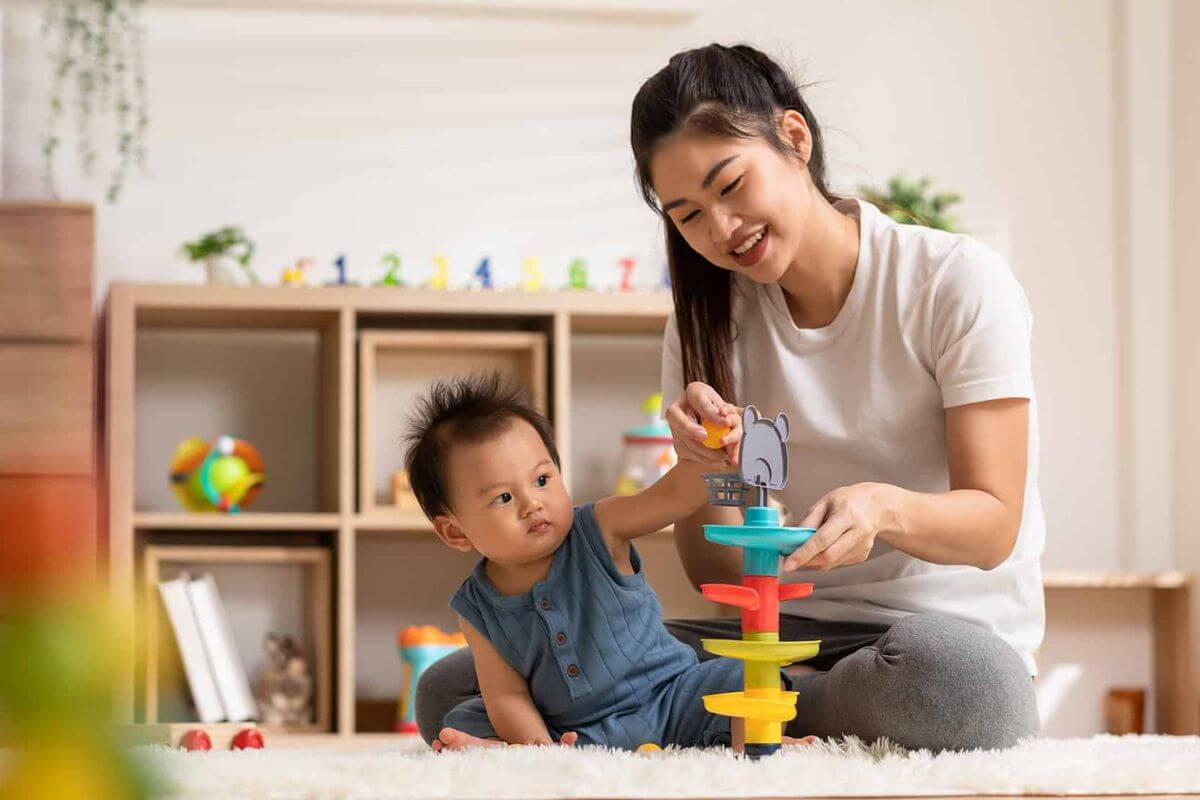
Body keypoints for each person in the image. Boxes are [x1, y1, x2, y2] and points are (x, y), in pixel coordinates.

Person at [627, 42, 1041, 751]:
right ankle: (772, 713)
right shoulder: (704, 322)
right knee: (474, 676)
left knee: (969, 689)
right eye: (689, 216)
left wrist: (881, 507)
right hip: (769, 634)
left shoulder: (954, 282)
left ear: (793, 137)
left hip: (921, 645)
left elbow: (993, 526)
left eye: (729, 186)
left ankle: (749, 716)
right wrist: (706, 471)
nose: (721, 230)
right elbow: (711, 571)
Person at [403, 373, 804, 752]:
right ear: (455, 531)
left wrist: (711, 450)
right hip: (576, 732)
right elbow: (507, 695)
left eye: (542, 480)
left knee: (744, 679)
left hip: (671, 697)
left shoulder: (600, 527)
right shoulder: (476, 607)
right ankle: (512, 754)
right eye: (503, 498)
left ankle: (754, 746)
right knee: (465, 717)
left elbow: (674, 497)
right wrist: (542, 754)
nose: (532, 504)